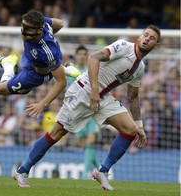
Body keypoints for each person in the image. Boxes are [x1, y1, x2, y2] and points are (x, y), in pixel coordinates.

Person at [13, 25, 161, 190]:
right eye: (145, 35)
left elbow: (133, 97)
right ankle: (23, 170)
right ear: (139, 36)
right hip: (84, 91)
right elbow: (94, 58)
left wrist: (140, 126)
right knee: (57, 133)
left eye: (152, 38)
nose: (147, 39)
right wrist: (95, 90)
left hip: (102, 97)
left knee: (130, 129)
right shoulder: (124, 47)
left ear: (156, 46)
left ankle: (102, 171)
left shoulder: (140, 68)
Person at [0, 10, 80, 118]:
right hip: (32, 58)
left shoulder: (47, 53)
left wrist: (42, 104)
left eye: (28, 29)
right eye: (23, 26)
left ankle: (8, 65)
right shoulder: (42, 23)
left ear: (39, 30)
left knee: (0, 89)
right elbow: (60, 23)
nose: (23, 31)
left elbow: (62, 82)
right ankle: (66, 69)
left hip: (37, 74)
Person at [68, 45, 100, 179]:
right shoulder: (70, 71)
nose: (81, 56)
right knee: (83, 144)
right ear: (76, 55)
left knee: (91, 141)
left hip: (91, 111)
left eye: (84, 54)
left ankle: (85, 175)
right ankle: (101, 170)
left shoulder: (90, 70)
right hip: (77, 112)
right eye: (79, 54)